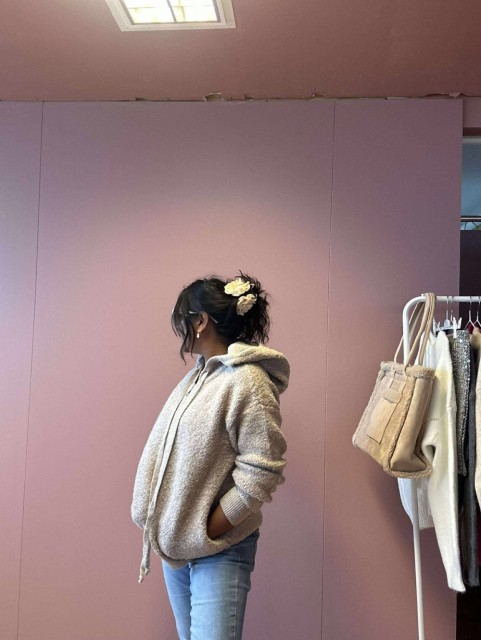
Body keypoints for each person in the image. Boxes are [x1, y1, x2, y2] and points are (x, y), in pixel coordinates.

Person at [131, 273, 290, 640]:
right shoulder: (199, 378)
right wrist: (184, 531)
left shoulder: (247, 381)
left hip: (218, 548)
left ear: (200, 321)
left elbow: (262, 472)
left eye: (181, 318)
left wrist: (208, 529)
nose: (178, 329)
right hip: (180, 547)